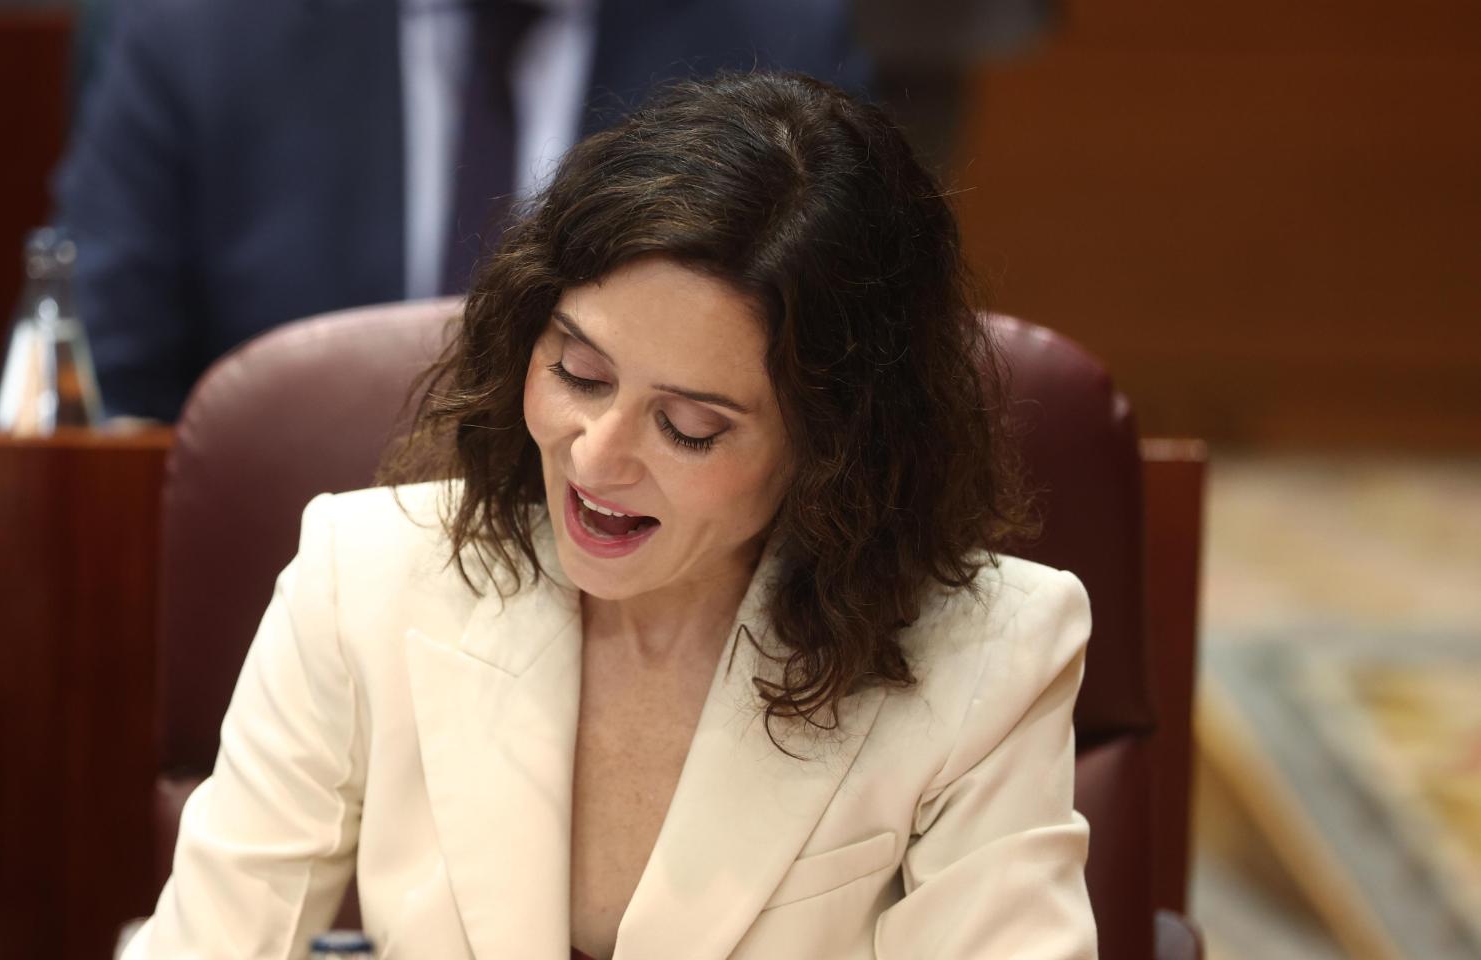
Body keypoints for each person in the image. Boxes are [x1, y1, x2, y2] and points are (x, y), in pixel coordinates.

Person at [123, 71, 1096, 959]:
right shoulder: (361, 575)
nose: (595, 454)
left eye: (686, 428)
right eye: (578, 374)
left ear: (829, 447)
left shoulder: (987, 657)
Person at [53, 0, 868, 422]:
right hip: (278, 593)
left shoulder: (776, 39)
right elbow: (92, 395)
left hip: (657, 599)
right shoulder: (202, 35)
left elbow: (841, 381)